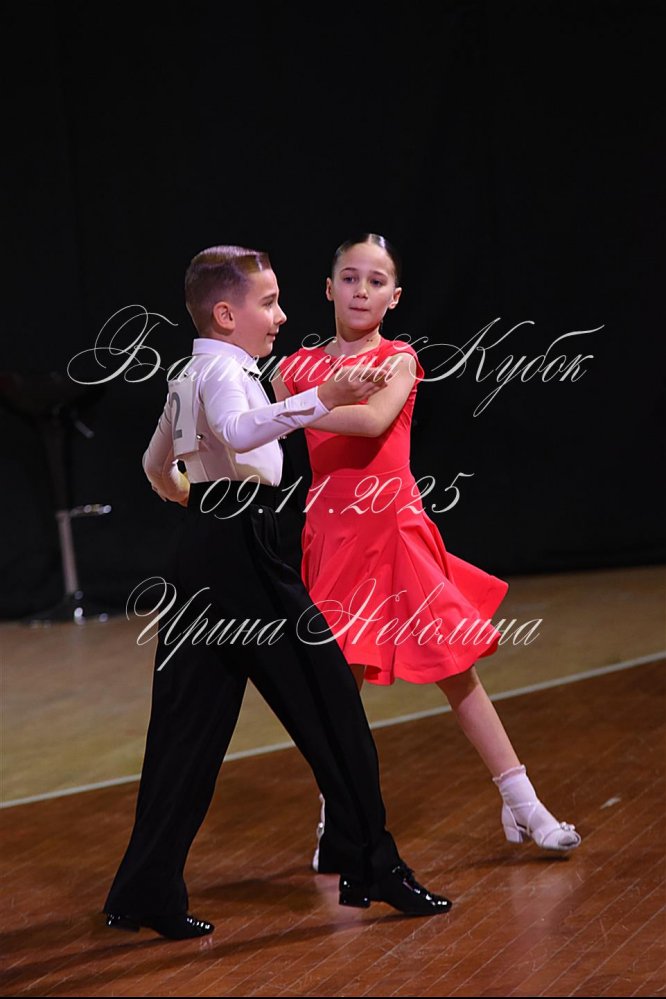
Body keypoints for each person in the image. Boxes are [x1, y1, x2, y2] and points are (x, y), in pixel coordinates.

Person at [103, 245, 452, 941]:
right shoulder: (226, 372)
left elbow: (154, 466)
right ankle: (374, 865)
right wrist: (322, 398)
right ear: (225, 314)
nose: (282, 315)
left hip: (200, 547)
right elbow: (237, 432)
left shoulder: (188, 372)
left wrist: (197, 508)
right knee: (331, 704)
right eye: (268, 303)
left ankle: (144, 888)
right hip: (244, 549)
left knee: (184, 728)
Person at [271, 233, 581, 871]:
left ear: (394, 296)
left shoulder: (399, 359)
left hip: (396, 533)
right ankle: (338, 822)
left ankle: (522, 802)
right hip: (332, 537)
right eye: (350, 278)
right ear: (328, 288)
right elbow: (262, 424)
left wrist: (292, 410)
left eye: (376, 281)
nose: (361, 290)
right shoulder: (295, 366)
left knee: (454, 667)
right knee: (339, 687)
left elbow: (371, 422)